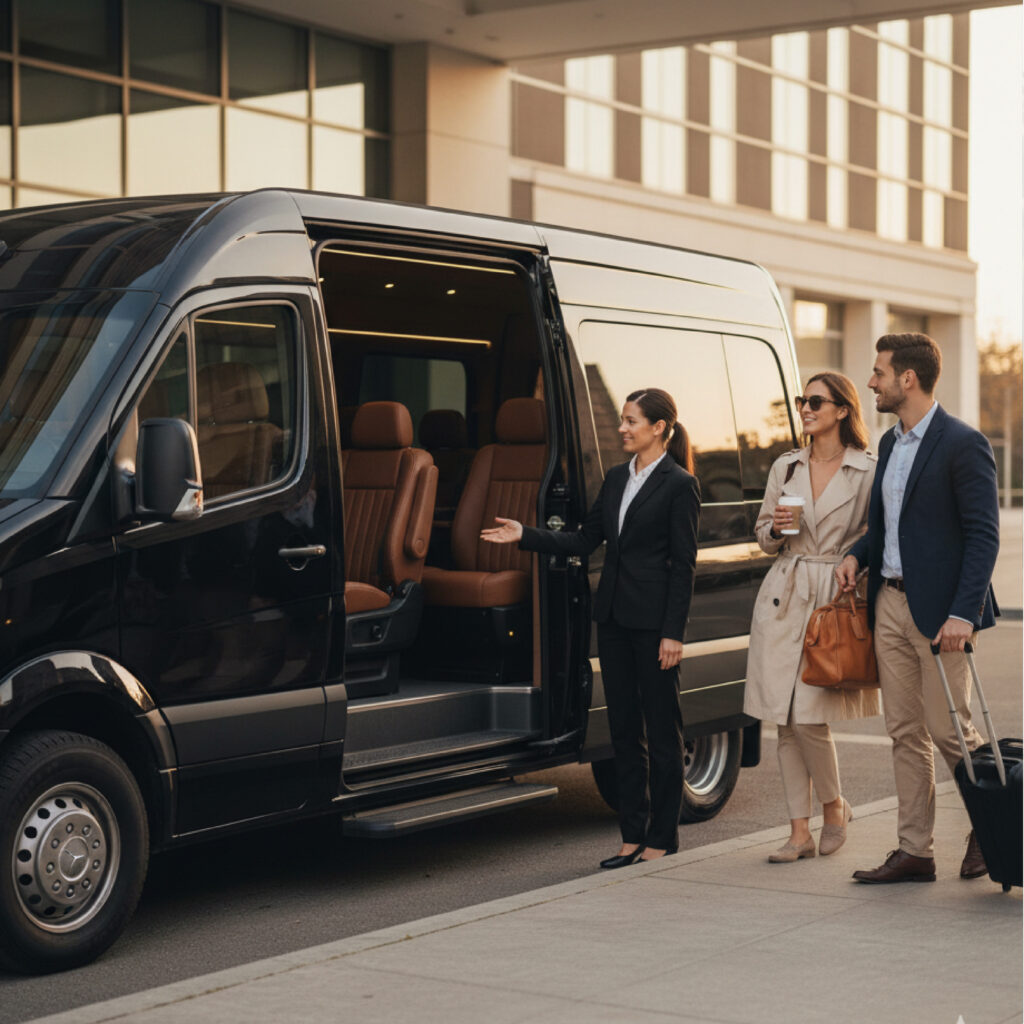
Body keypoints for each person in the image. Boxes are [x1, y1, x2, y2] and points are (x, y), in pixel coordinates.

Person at [481, 388, 700, 867]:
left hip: (655, 627)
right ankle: (630, 835)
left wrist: (674, 633)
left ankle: (662, 838)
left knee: (663, 734)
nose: (622, 428)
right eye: (622, 420)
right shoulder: (618, 477)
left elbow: (683, 566)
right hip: (615, 621)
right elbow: (584, 538)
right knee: (624, 731)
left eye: (631, 421)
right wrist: (526, 535)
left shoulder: (680, 484)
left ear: (659, 428)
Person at [835, 333, 1000, 884]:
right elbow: (887, 527)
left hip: (942, 616)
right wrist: (857, 555)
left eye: (879, 371)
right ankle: (915, 851)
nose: (871, 381)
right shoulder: (889, 443)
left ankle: (990, 822)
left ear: (908, 378)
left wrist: (963, 613)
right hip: (890, 603)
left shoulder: (962, 442)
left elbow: (982, 537)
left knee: (950, 729)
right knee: (905, 730)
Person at [744, 372, 879, 863]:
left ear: (843, 410)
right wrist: (777, 530)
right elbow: (761, 534)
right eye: (803, 399)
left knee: (811, 717)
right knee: (782, 718)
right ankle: (799, 831)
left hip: (833, 596)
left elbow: (875, 535)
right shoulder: (786, 465)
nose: (805, 407)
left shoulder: (867, 469)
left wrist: (854, 565)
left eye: (815, 401)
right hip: (784, 591)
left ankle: (834, 807)